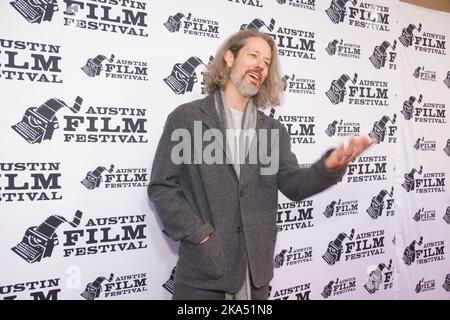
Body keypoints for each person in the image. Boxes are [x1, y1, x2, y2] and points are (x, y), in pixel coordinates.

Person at [148, 29, 374, 300]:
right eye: (253, 55)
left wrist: (330, 167)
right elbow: (162, 187)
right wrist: (199, 235)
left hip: (255, 277)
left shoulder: (273, 131)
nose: (260, 65)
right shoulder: (186, 119)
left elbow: (294, 185)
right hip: (203, 275)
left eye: (266, 62)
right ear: (229, 59)